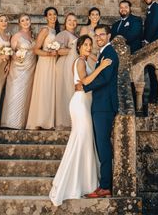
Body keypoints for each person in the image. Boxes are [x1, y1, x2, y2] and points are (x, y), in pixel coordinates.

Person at [49, 35, 112, 206]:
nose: (88, 47)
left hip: (85, 102)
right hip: (80, 104)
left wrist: (98, 60)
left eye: (90, 45)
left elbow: (86, 76)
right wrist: (101, 68)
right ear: (78, 47)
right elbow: (84, 81)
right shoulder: (80, 62)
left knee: (84, 142)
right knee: (81, 141)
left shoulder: (84, 60)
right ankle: (73, 182)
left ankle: (86, 182)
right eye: (85, 45)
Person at [78, 25, 119, 199]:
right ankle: (103, 184)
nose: (99, 37)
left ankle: (105, 186)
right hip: (100, 104)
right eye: (97, 35)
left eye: (102, 34)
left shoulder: (109, 53)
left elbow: (104, 78)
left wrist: (85, 86)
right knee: (100, 145)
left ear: (109, 36)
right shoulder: (103, 52)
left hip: (104, 106)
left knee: (103, 146)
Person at [26, 7, 61, 130]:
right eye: (50, 14)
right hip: (45, 63)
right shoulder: (45, 30)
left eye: (54, 14)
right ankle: (40, 120)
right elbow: (36, 49)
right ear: (46, 17)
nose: (52, 16)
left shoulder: (57, 31)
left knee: (51, 90)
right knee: (44, 89)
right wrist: (48, 54)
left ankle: (49, 121)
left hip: (54, 63)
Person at [0, 13, 37, 129]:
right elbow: (11, 51)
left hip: (31, 67)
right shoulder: (17, 35)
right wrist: (13, 60)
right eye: (22, 21)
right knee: (15, 92)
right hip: (18, 68)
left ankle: (22, 122)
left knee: (27, 94)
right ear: (19, 23)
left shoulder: (33, 36)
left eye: (27, 19)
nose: (25, 22)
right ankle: (10, 122)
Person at [54, 13, 79, 130]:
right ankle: (63, 121)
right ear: (65, 22)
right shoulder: (63, 34)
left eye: (74, 20)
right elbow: (58, 51)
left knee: (71, 91)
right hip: (64, 64)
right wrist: (74, 50)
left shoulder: (76, 35)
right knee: (64, 91)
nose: (72, 22)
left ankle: (71, 119)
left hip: (73, 65)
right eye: (69, 20)